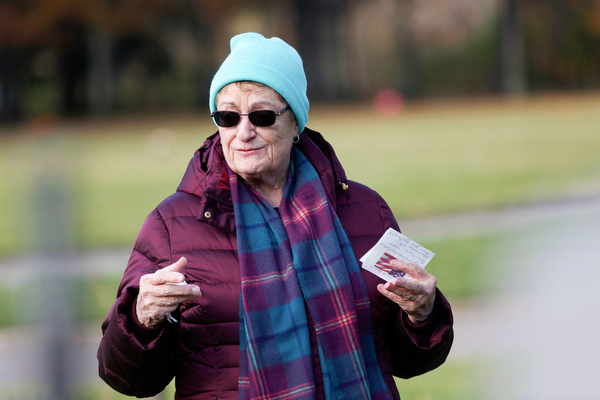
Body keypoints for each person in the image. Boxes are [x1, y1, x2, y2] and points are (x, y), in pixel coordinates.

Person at [98, 32, 453, 400]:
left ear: (296, 122)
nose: (244, 133)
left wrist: (422, 315)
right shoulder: (171, 225)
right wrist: (142, 319)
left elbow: (412, 362)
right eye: (228, 116)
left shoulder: (367, 211)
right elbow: (129, 380)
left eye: (263, 116)